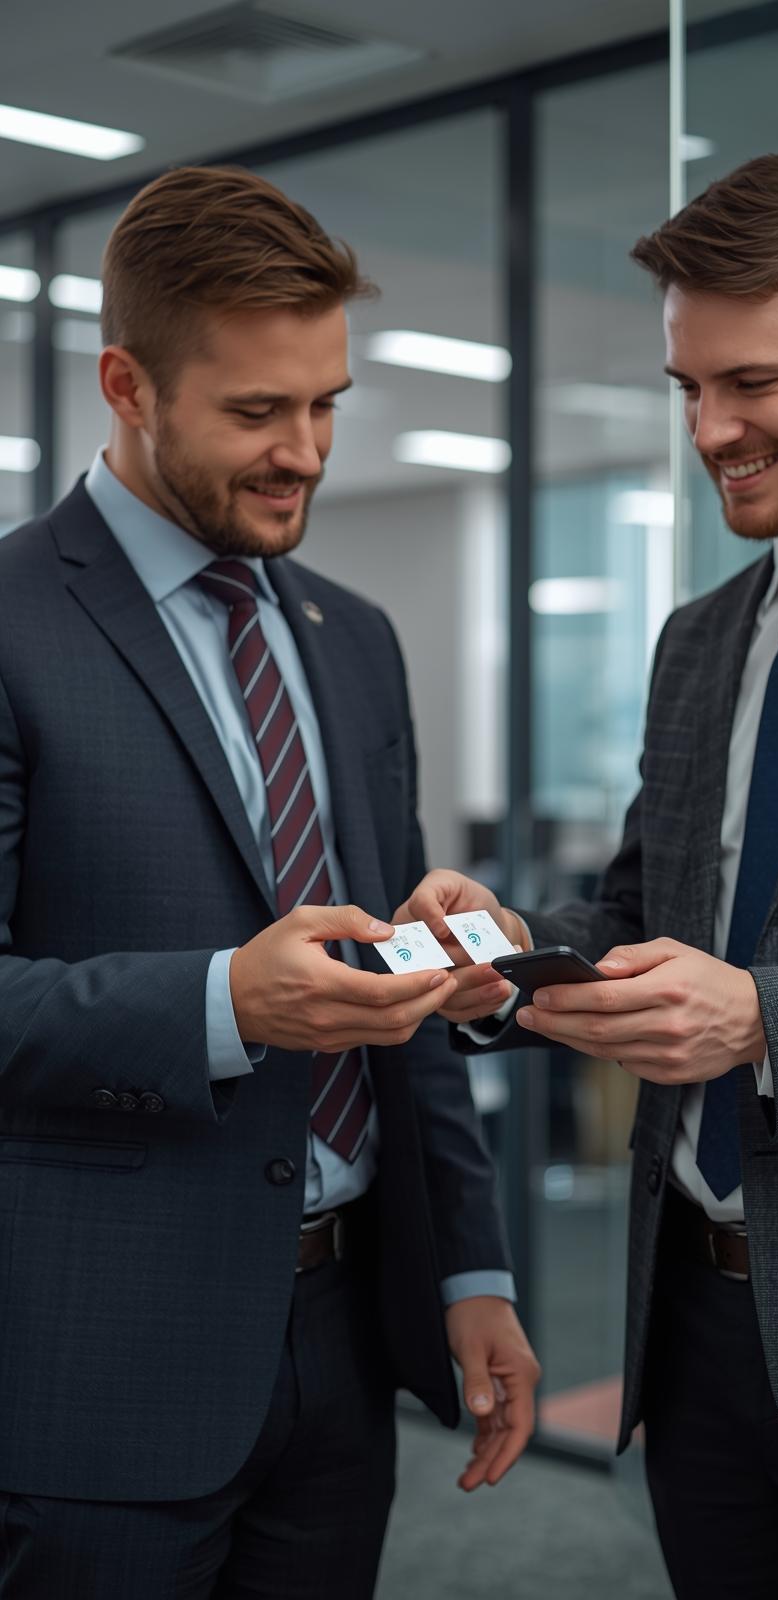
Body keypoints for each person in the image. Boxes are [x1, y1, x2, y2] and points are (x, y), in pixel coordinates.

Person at [0, 164, 539, 1599]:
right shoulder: (6, 626)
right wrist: (225, 1003)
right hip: (98, 1375)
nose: (304, 451)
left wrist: (469, 1276)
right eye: (256, 412)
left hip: (344, 1346)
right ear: (128, 383)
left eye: (325, 406)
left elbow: (395, 989)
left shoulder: (350, 637)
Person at [399, 153, 778, 1597]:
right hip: (696, 1340)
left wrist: (768, 1021)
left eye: (749, 382)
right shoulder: (703, 638)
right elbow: (634, 917)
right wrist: (505, 950)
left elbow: (752, 992)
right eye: (688, 388)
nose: (711, 429)